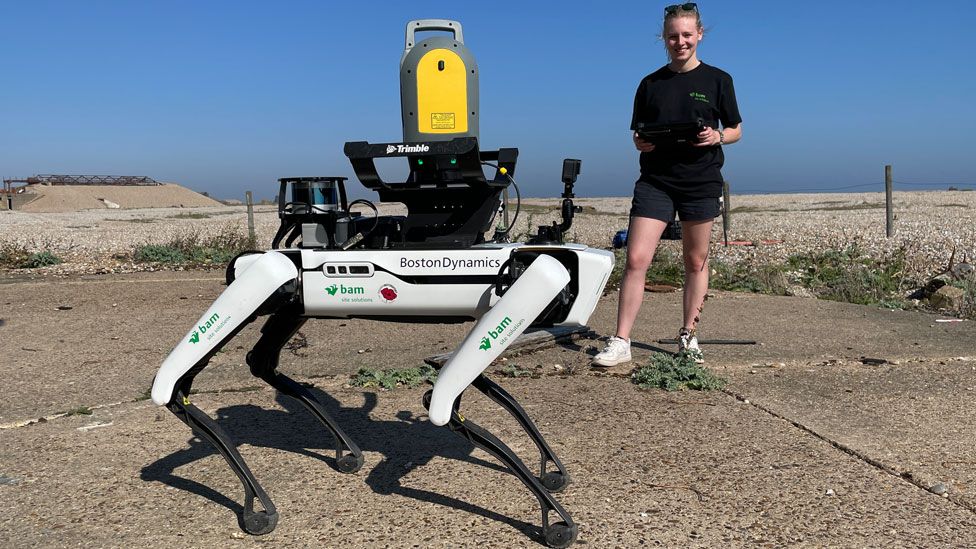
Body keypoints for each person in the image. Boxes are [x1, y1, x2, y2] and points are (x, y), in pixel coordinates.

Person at [593, 2, 742, 367]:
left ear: (699, 35)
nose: (680, 42)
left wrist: (717, 137)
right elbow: (637, 134)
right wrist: (640, 142)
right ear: (664, 38)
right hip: (655, 181)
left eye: (687, 35)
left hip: (701, 181)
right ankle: (621, 340)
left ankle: (689, 338)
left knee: (695, 261)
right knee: (636, 258)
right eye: (673, 36)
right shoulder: (649, 84)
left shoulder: (719, 80)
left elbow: (737, 130)